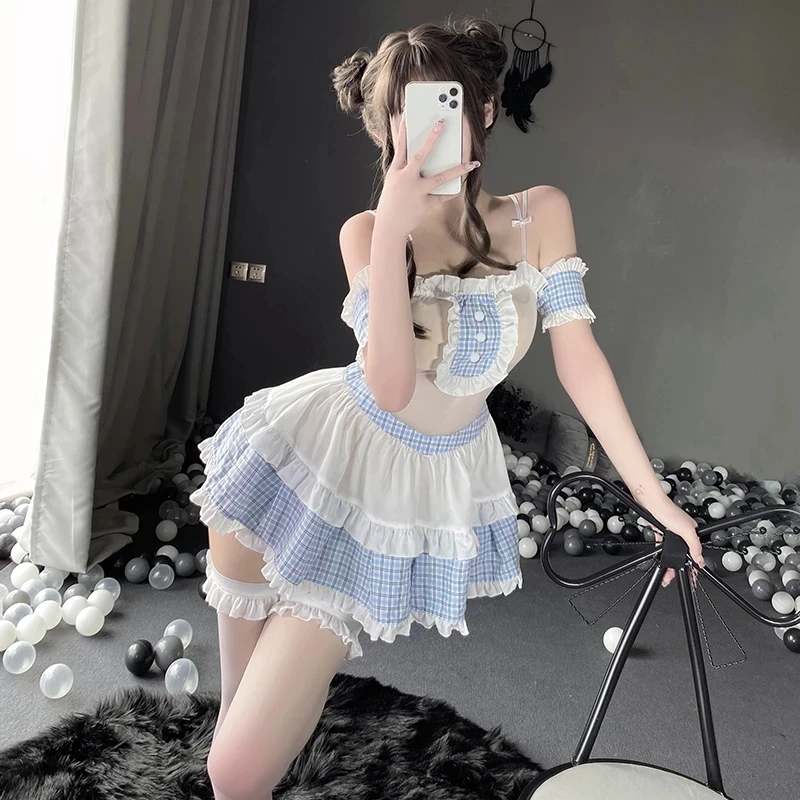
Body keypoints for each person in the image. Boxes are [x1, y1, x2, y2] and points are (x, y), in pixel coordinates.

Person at [190, 17, 705, 800]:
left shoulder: (538, 214)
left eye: (442, 104)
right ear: (384, 128)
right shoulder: (368, 232)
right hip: (299, 456)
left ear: (484, 110)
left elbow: (579, 359)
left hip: (389, 492)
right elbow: (390, 387)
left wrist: (654, 497)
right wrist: (392, 229)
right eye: (403, 112)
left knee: (235, 769)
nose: (423, 129)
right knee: (235, 752)